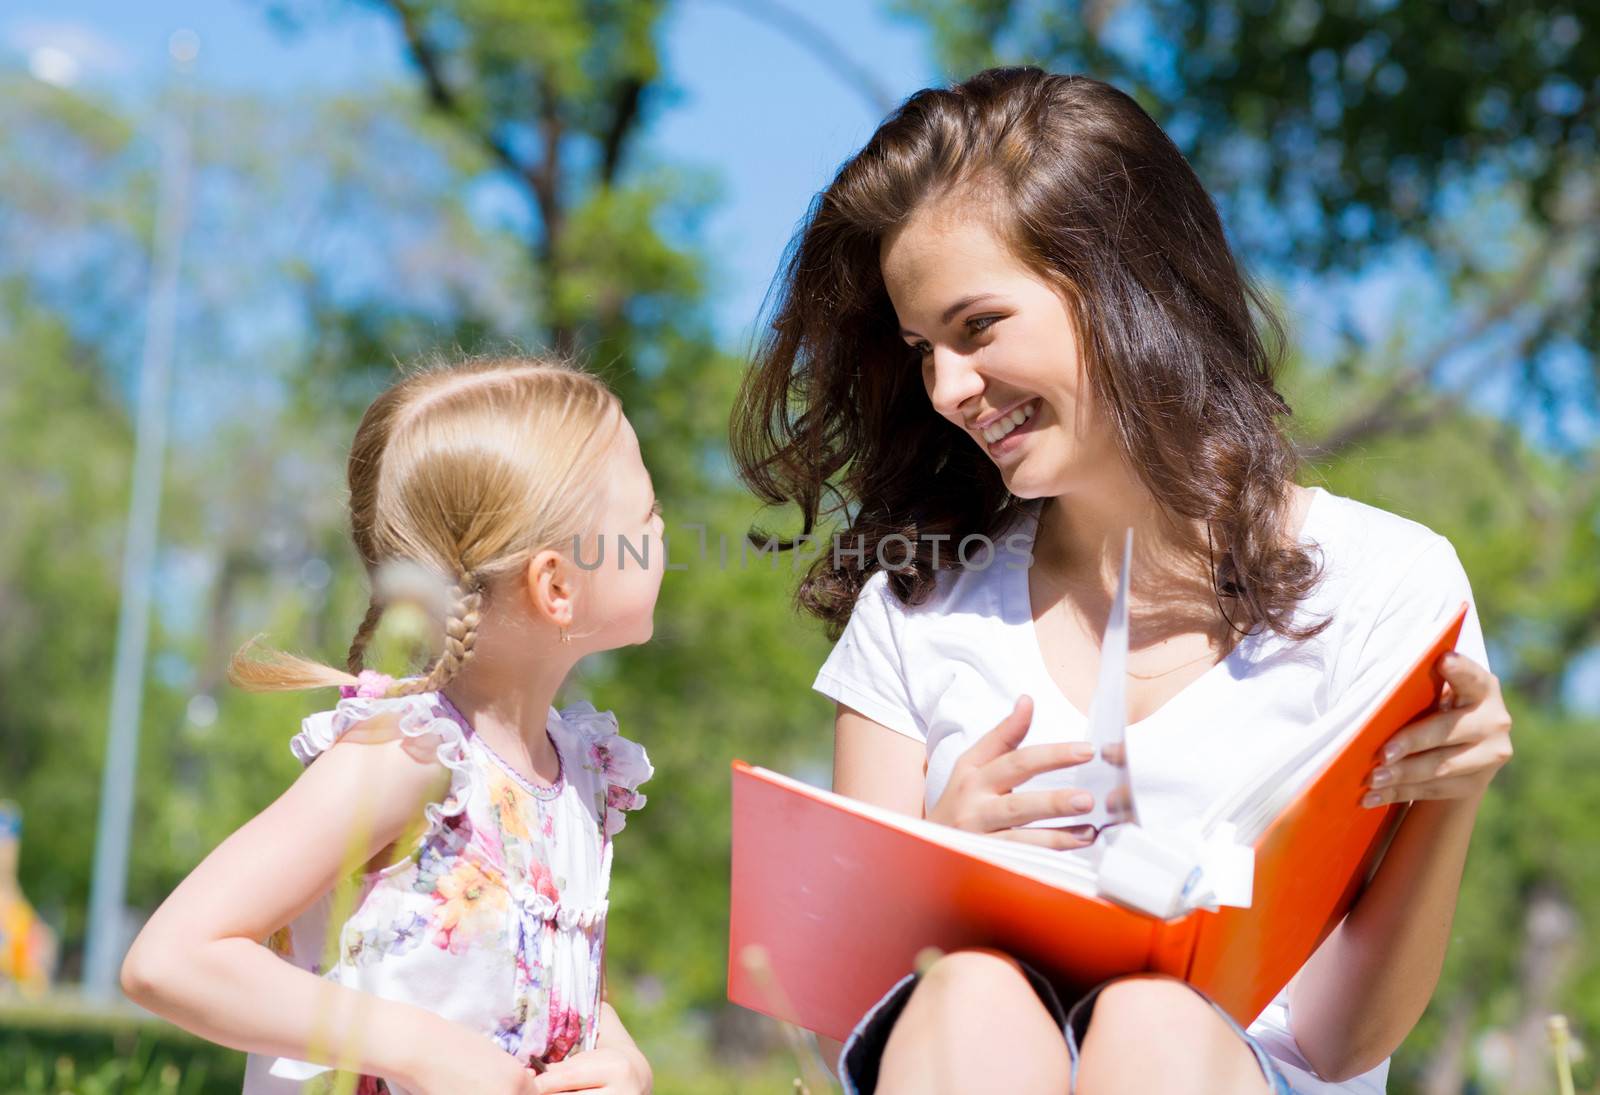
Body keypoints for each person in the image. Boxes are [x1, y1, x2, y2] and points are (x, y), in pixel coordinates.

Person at [731, 68, 1513, 1095]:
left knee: (1153, 1026)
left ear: (1120, 284)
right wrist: (937, 863)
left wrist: (1449, 798)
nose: (947, 389)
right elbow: (855, 1013)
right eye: (922, 349)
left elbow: (1338, 1042)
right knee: (967, 991)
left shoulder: (1386, 581)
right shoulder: (915, 605)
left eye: (976, 328)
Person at [121, 356, 663, 1095]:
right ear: (557, 585)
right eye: (648, 513)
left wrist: (621, 1057)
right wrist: (419, 1049)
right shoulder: (409, 754)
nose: (666, 529)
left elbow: (540, 976)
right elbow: (172, 957)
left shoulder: (578, 773)